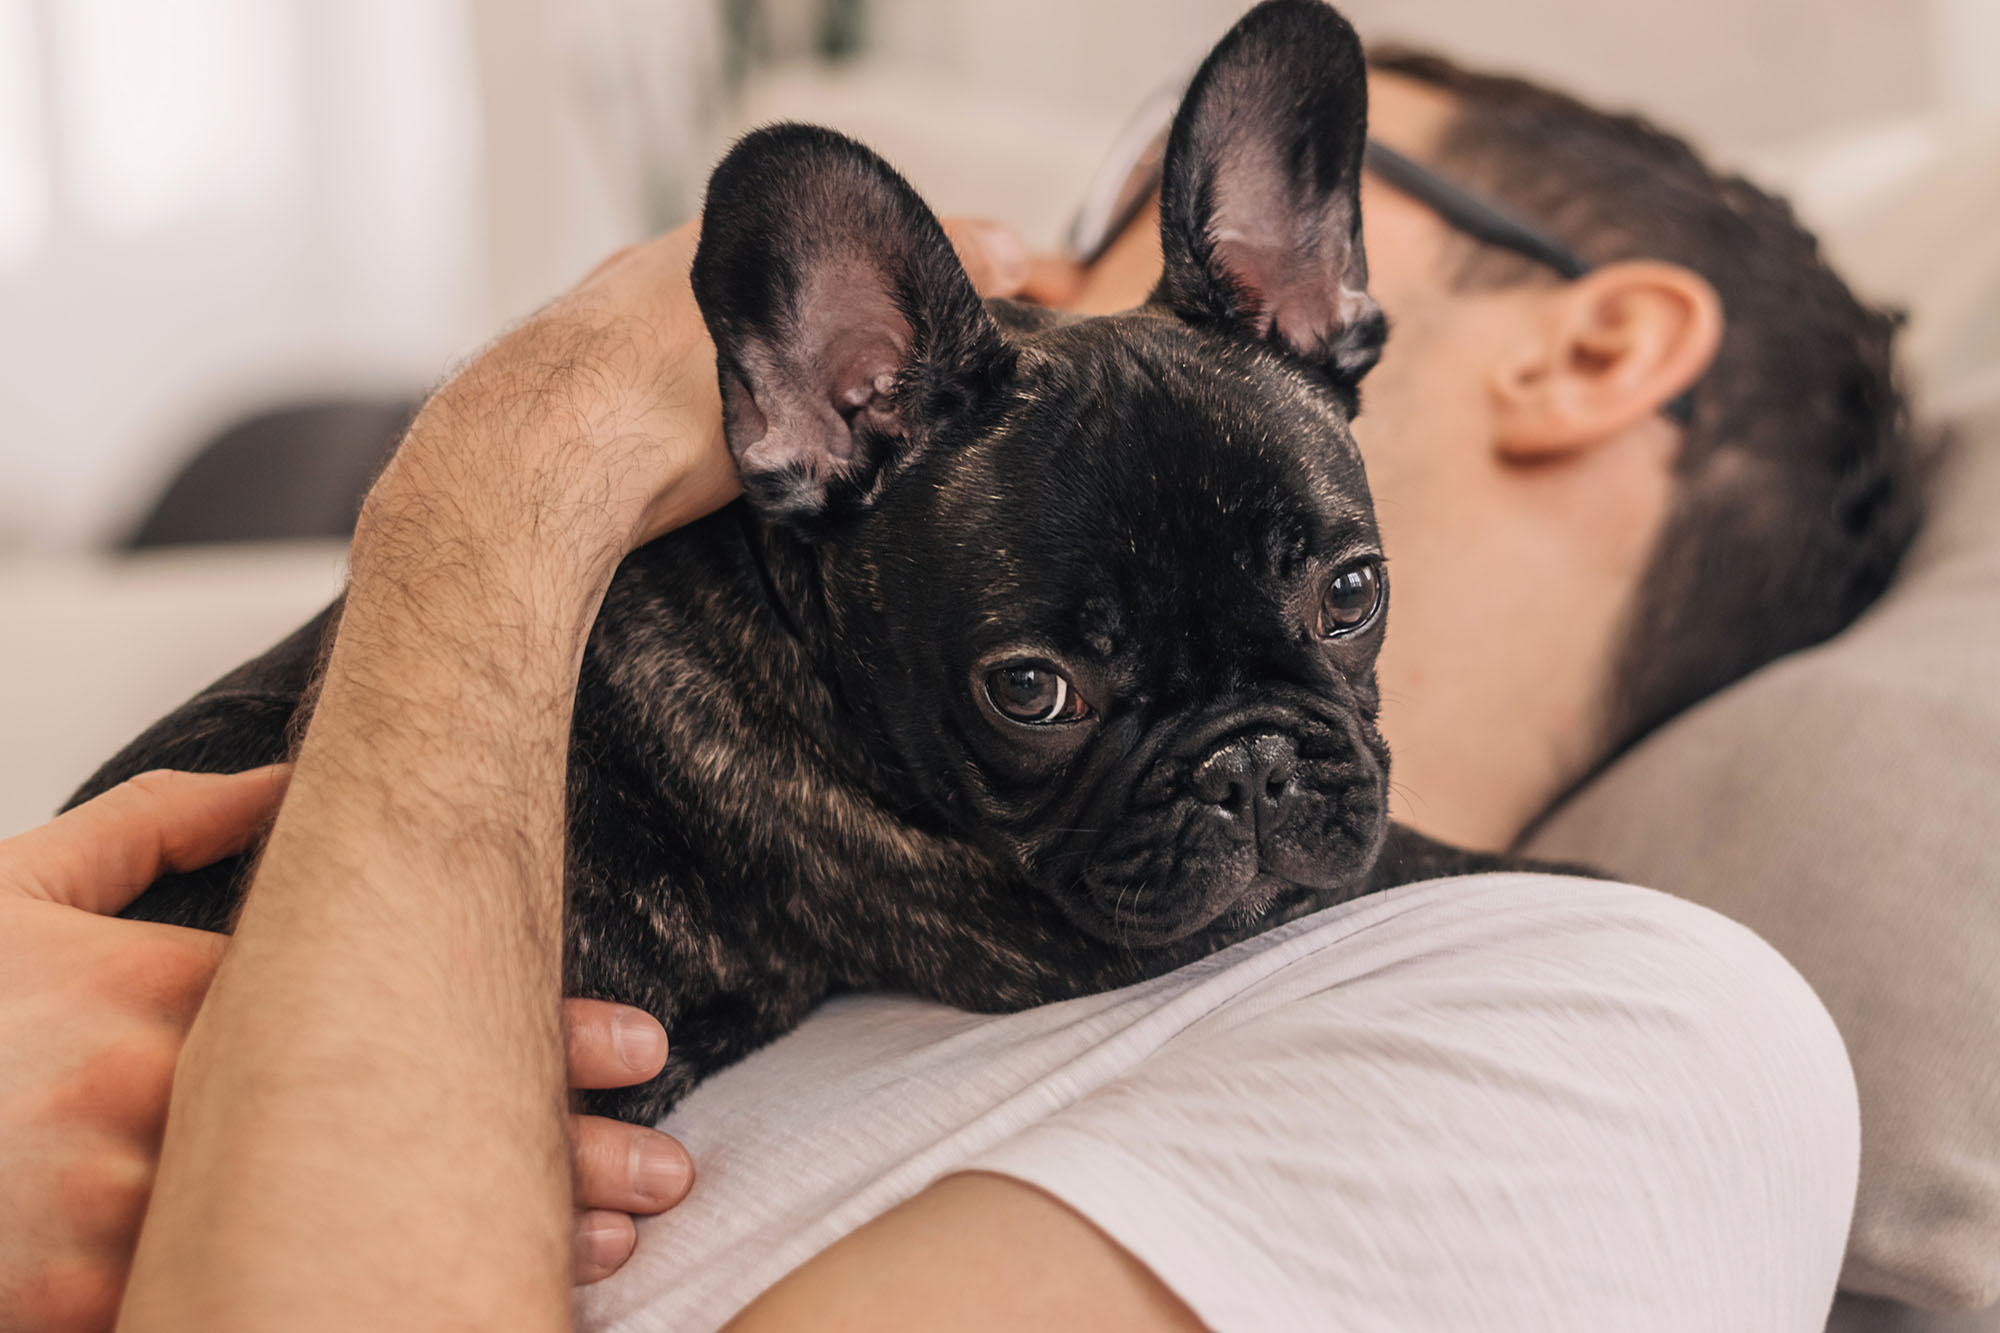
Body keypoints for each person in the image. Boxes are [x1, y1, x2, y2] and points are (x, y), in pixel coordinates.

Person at [0, 42, 1911, 1332]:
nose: (1057, 279)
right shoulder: (744, 658)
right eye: (1049, 691)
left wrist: (517, 457)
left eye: (1338, 600)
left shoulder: (1611, 1021)